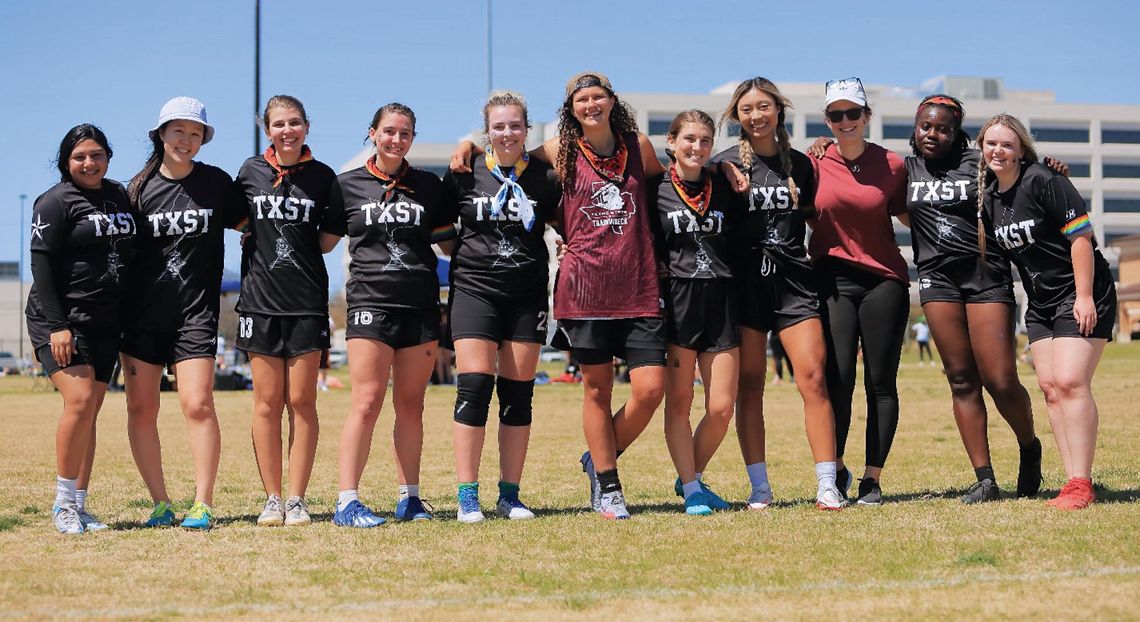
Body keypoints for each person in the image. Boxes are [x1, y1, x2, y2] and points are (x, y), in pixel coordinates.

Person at [452, 72, 668, 519]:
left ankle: (596, 458)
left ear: (611, 101)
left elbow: (668, 188)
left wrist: (722, 171)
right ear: (570, 108)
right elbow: (509, 159)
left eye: (598, 97)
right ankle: (608, 485)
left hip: (637, 285)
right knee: (596, 389)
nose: (591, 105)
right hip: (585, 287)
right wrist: (469, 146)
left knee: (649, 390)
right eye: (581, 99)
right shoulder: (559, 152)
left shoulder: (639, 145)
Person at [713, 77, 845, 509]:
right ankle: (760, 487)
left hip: (793, 283)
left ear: (778, 111)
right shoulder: (724, 164)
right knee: (750, 387)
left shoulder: (803, 164)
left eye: (763, 107)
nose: (756, 115)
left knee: (812, 379)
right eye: (747, 109)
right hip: (745, 285)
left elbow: (817, 216)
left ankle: (827, 483)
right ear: (737, 116)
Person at [977, 113, 1116, 510]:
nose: (998, 150)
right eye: (991, 144)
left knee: (1071, 382)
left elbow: (1081, 239)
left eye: (1007, 144)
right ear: (982, 149)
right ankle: (1073, 481)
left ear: (1021, 149)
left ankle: (1080, 481)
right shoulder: (989, 199)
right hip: (1040, 302)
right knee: (1051, 389)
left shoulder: (1043, 180)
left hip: (1080, 291)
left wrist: (1085, 297)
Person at [323, 103, 451, 527]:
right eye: (389, 131)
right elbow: (321, 243)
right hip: (369, 304)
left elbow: (451, 246)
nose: (396, 139)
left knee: (411, 404)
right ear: (372, 133)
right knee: (367, 400)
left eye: (405, 133)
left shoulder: (430, 187)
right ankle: (347, 501)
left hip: (419, 305)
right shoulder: (345, 186)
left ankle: (409, 498)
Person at [438, 90, 561, 523]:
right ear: (485, 131)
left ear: (527, 130)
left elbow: (566, 227)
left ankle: (510, 494)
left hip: (526, 295)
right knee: (473, 388)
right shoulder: (464, 172)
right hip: (475, 291)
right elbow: (443, 233)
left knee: (518, 396)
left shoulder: (545, 178)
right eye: (498, 126)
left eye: (515, 125)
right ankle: (467, 495)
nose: (507, 133)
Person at [122, 97, 240, 530]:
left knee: (198, 404)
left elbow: (253, 224)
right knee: (141, 408)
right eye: (178, 131)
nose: (186, 140)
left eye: (195, 133)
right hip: (142, 318)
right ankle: (160, 503)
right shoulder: (136, 189)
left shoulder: (217, 184)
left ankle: (203, 503)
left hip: (196, 314)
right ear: (160, 134)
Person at [232, 95, 339, 527]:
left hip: (306, 303)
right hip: (259, 302)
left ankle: (297, 498)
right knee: (266, 403)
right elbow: (240, 220)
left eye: (295, 122)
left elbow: (328, 239)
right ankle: (272, 498)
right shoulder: (249, 172)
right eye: (279, 124)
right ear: (267, 129)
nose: (287, 130)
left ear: (307, 128)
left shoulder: (323, 177)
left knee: (302, 401)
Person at [28, 124, 136, 533]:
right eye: (79, 157)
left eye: (96, 155)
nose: (89, 163)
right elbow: (40, 265)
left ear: (108, 157)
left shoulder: (118, 195)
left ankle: (79, 503)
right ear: (66, 161)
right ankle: (61, 504)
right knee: (79, 401)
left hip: (106, 320)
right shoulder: (54, 202)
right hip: (60, 321)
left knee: (90, 410)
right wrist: (58, 325)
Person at [809, 77, 909, 505]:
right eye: (837, 115)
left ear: (867, 117)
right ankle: (835, 472)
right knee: (838, 380)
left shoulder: (893, 165)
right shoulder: (811, 163)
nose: (846, 121)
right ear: (827, 120)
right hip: (832, 279)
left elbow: (912, 216)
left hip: (884, 280)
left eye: (854, 113)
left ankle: (872, 478)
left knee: (880, 383)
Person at [651, 110, 743, 515]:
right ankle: (691, 489)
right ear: (671, 141)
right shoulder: (655, 190)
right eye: (688, 139)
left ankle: (691, 473)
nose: (697, 147)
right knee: (680, 402)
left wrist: (724, 165)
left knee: (722, 407)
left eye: (705, 140)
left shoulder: (723, 183)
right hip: (678, 302)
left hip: (721, 300)